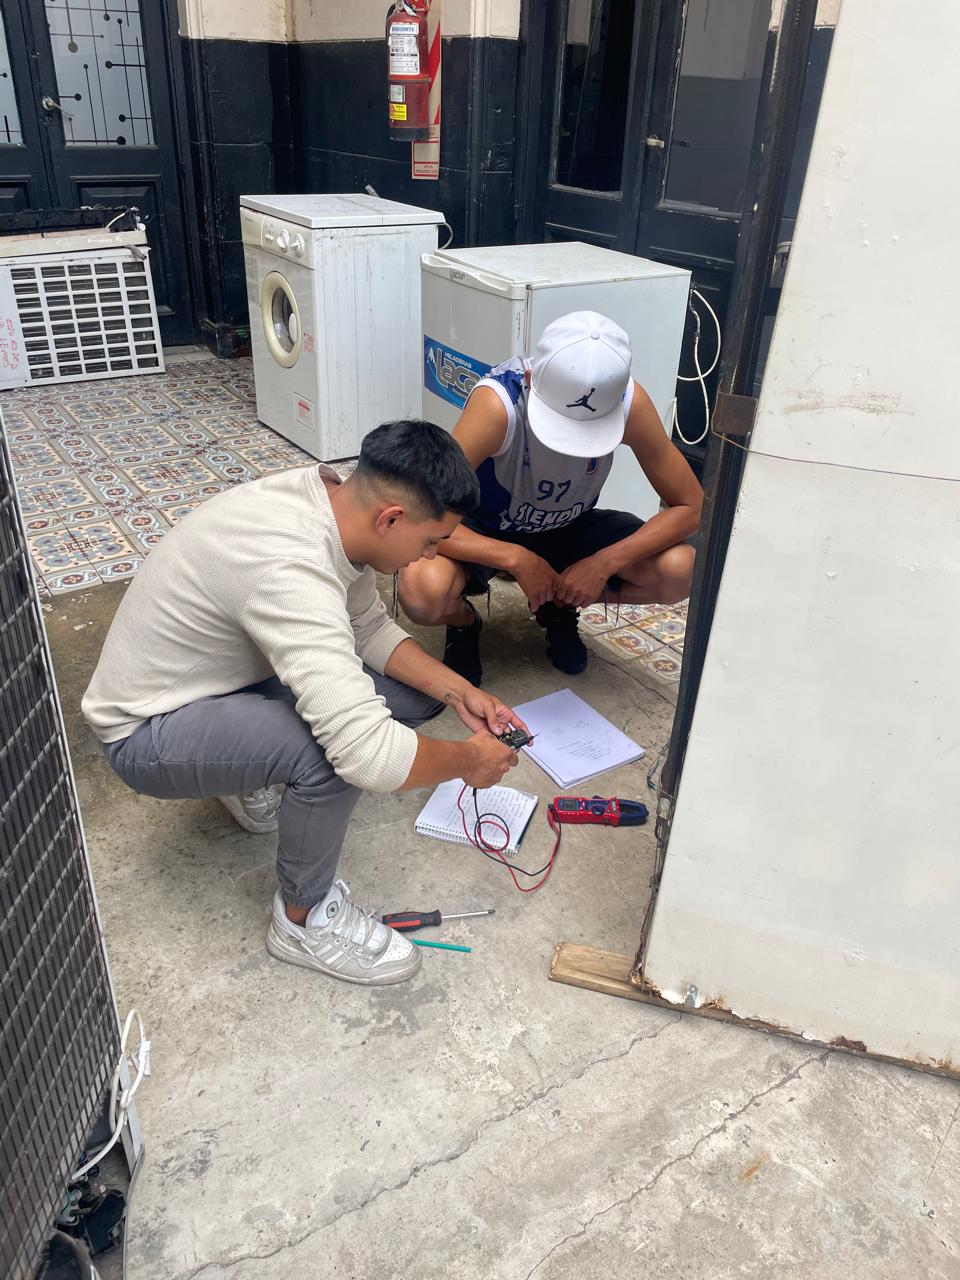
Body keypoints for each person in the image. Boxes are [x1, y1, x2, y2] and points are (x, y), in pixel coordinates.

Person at [82, 420, 526, 988]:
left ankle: (245, 766)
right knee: (331, 756)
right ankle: (302, 921)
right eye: (430, 541)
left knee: (414, 695)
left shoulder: (333, 502)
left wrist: (460, 690)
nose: (432, 554)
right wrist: (469, 762)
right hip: (148, 729)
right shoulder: (289, 567)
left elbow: (366, 626)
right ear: (391, 518)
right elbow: (367, 758)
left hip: (221, 681)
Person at [399, 311, 703, 685]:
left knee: (680, 569)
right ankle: (463, 621)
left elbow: (692, 506)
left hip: (569, 526)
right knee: (422, 590)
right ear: (530, 379)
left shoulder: (628, 402)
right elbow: (421, 515)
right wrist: (515, 558)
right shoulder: (498, 405)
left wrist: (602, 564)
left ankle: (561, 603)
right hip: (488, 526)